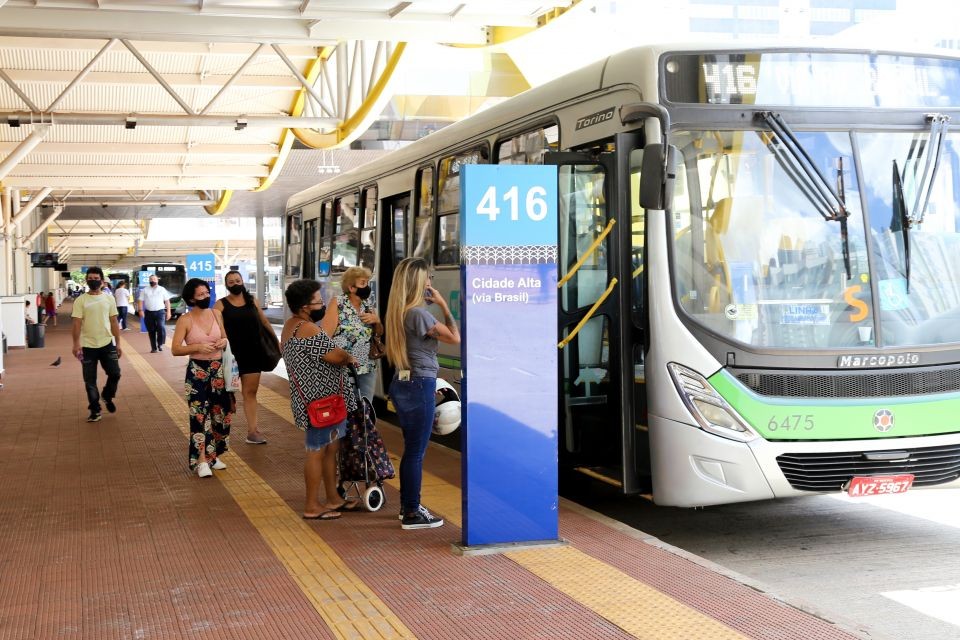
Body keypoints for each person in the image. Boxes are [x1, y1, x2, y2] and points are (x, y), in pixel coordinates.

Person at [384, 257, 460, 530]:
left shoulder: (401, 311)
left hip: (403, 383)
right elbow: (454, 337)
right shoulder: (419, 313)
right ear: (418, 281)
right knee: (416, 453)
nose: (430, 282)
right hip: (419, 384)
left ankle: (409, 508)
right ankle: (412, 511)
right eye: (428, 277)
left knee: (412, 450)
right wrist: (442, 304)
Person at [281, 279, 359, 520]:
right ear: (305, 306)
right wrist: (348, 356)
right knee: (316, 451)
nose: (322, 304)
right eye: (318, 301)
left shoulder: (290, 325)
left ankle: (333, 498)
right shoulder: (308, 329)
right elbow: (335, 355)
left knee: (329, 449)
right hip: (321, 402)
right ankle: (312, 505)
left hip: (320, 401)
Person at [171, 279, 233, 478]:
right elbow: (175, 349)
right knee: (199, 416)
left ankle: (213, 456)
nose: (206, 297)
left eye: (207, 293)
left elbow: (224, 338)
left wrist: (224, 341)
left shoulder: (217, 314)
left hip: (218, 371)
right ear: (191, 298)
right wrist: (197, 347)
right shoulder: (185, 320)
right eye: (200, 295)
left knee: (219, 415)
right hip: (197, 371)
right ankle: (201, 460)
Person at [214, 270, 278, 445]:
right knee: (225, 395)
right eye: (231, 282)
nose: (235, 284)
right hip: (230, 356)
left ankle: (252, 431)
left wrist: (276, 341)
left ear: (242, 281)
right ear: (226, 285)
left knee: (250, 392)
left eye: (237, 280)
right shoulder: (220, 305)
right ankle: (219, 435)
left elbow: (264, 322)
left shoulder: (252, 301)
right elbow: (217, 328)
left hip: (252, 353)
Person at [322, 266, 381, 402]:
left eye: (367, 282)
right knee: (344, 409)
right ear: (351, 287)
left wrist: (377, 321)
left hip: (367, 366)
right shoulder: (338, 303)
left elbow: (379, 333)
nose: (367, 286)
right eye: (363, 282)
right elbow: (325, 337)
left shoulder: (367, 304)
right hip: (343, 367)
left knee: (366, 408)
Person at [71, 266, 122, 423]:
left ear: (102, 280)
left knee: (115, 373)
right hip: (87, 346)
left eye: (96, 278)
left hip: (107, 343)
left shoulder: (109, 299)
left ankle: (107, 395)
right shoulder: (81, 300)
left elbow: (114, 321)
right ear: (86, 280)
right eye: (90, 279)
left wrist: (118, 343)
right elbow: (77, 324)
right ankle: (95, 410)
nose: (93, 281)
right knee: (90, 381)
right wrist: (76, 344)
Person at [139, 274, 171, 352]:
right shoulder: (145, 290)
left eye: (154, 279)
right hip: (149, 313)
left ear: (157, 280)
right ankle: (153, 348)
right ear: (149, 281)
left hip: (160, 312)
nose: (152, 280)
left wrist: (169, 312)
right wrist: (140, 310)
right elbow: (140, 300)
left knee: (161, 327)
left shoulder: (162, 289)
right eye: (151, 279)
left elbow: (167, 301)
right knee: (151, 330)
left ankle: (160, 343)